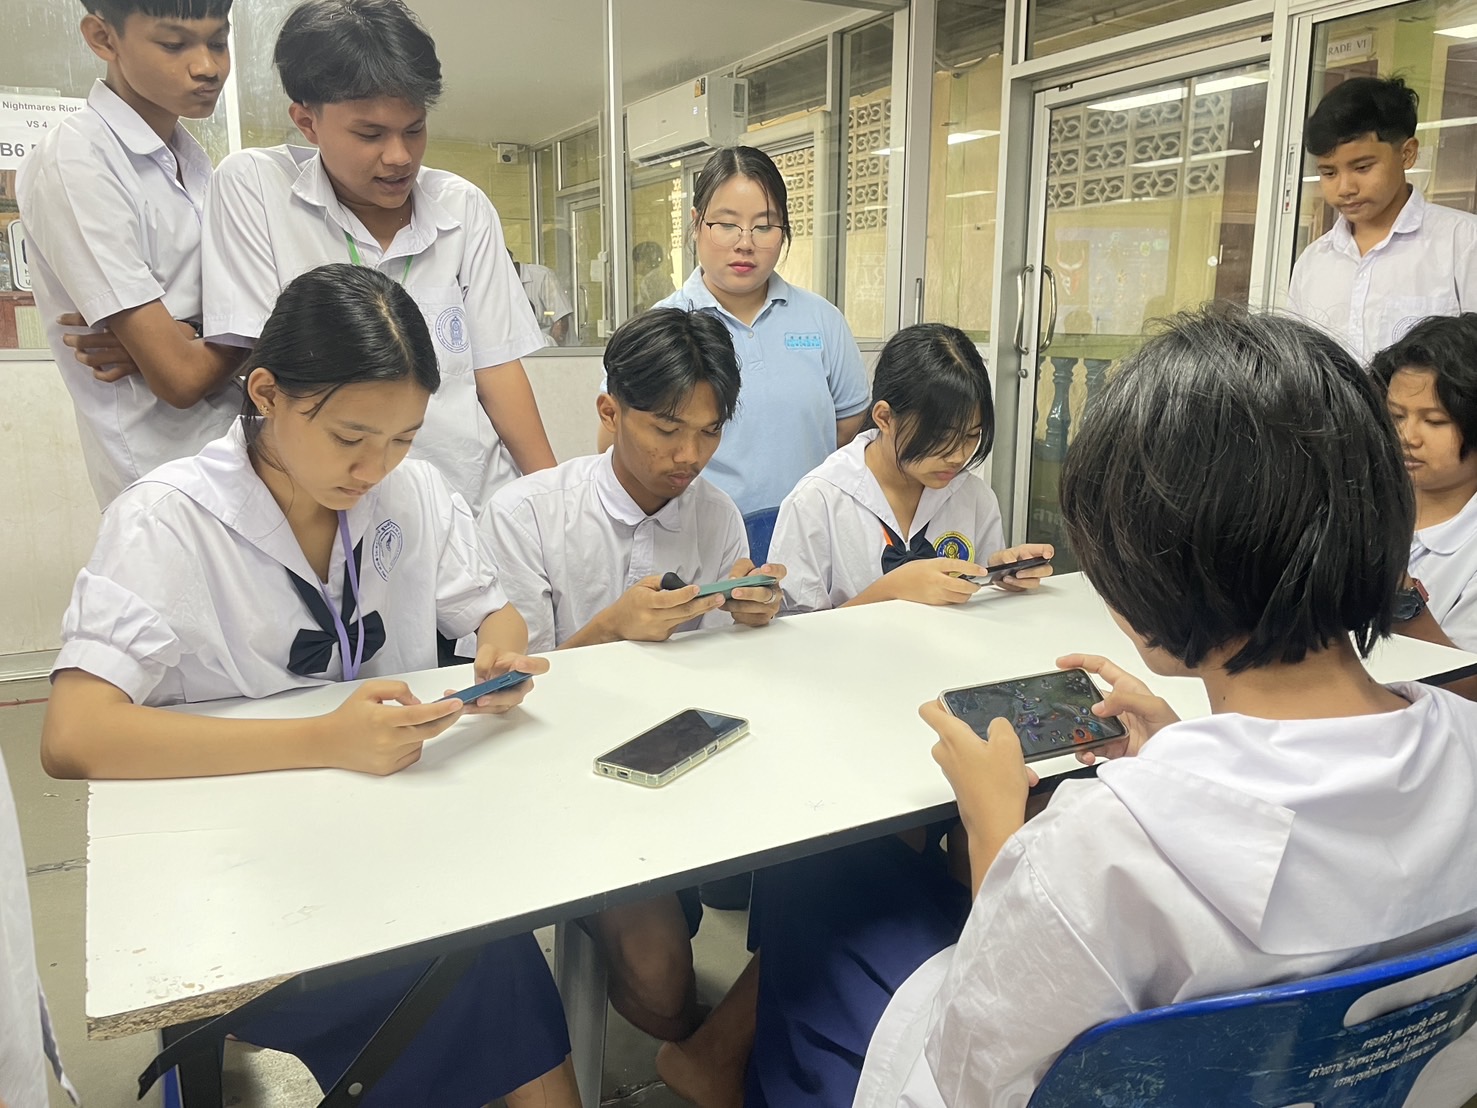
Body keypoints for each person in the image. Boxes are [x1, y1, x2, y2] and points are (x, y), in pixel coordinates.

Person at [744, 309, 1477, 1108]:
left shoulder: (1098, 850)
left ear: (1145, 584)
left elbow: (973, 1072)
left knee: (816, 890)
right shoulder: (1466, 746)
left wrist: (996, 832)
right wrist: (1179, 754)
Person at [39, 265, 579, 1108]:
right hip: (241, 871)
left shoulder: (413, 491)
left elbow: (493, 613)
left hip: (389, 843)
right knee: (464, 966)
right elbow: (74, 735)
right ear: (266, 393)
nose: (374, 467)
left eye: (402, 438)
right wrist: (322, 740)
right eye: (350, 436)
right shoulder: (168, 519)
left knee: (489, 942)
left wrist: (496, 655)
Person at [484, 306, 783, 1045]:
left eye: (710, 431)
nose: (689, 455)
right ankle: (704, 1046)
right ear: (609, 411)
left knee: (817, 885)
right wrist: (610, 629)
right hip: (569, 776)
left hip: (689, 763)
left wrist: (750, 615)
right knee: (658, 987)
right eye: (667, 428)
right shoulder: (527, 514)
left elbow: (727, 676)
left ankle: (734, 1047)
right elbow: (507, 696)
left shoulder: (714, 514)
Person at [201, 0, 556, 515]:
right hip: (336, 503)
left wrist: (553, 503)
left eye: (414, 128)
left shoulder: (462, 207)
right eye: (370, 134)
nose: (399, 156)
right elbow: (266, 360)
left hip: (468, 500)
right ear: (307, 122)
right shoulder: (255, 187)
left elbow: (498, 371)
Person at [16, 0, 243, 506]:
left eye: (218, 42)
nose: (207, 66)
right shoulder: (77, 160)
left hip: (233, 456)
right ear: (103, 38)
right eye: (174, 44)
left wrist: (197, 333)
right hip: (165, 479)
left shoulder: (190, 160)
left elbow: (211, 333)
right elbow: (180, 377)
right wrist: (242, 333)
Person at [606, 146, 870, 516]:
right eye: (727, 225)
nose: (745, 243)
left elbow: (848, 431)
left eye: (764, 226)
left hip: (810, 530)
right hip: (696, 534)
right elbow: (619, 442)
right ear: (696, 223)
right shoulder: (662, 326)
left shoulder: (822, 320)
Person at [769, 323, 1053, 612]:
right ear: (884, 418)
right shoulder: (817, 501)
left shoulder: (973, 496)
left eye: (971, 435)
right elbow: (794, 630)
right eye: (941, 436)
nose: (957, 456)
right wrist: (891, 590)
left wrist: (998, 576)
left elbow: (980, 608)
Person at [1287, 76, 1477, 362]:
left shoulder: (1463, 244)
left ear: (1407, 154)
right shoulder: (1313, 263)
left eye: (1362, 167)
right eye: (1329, 173)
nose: (1345, 188)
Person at [1373, 313, 1477, 654]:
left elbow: (1467, 680)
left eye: (1434, 421)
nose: (1407, 437)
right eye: (1396, 416)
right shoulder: (1360, 498)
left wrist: (1399, 595)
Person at [510, 249, 573, 346]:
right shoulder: (501, 283)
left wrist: (551, 350)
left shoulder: (542, 275)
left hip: (556, 348)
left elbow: (561, 321)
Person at [634, 239, 675, 312]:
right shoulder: (663, 276)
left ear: (644, 261)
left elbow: (646, 307)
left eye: (636, 261)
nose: (634, 265)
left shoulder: (647, 281)